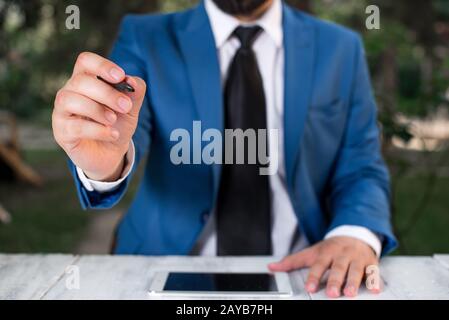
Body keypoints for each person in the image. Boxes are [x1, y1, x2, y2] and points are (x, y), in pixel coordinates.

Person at [52, 0, 397, 298]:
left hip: (304, 273)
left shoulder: (341, 49)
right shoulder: (145, 37)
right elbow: (122, 129)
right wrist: (105, 162)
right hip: (161, 266)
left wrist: (354, 233)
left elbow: (361, 166)